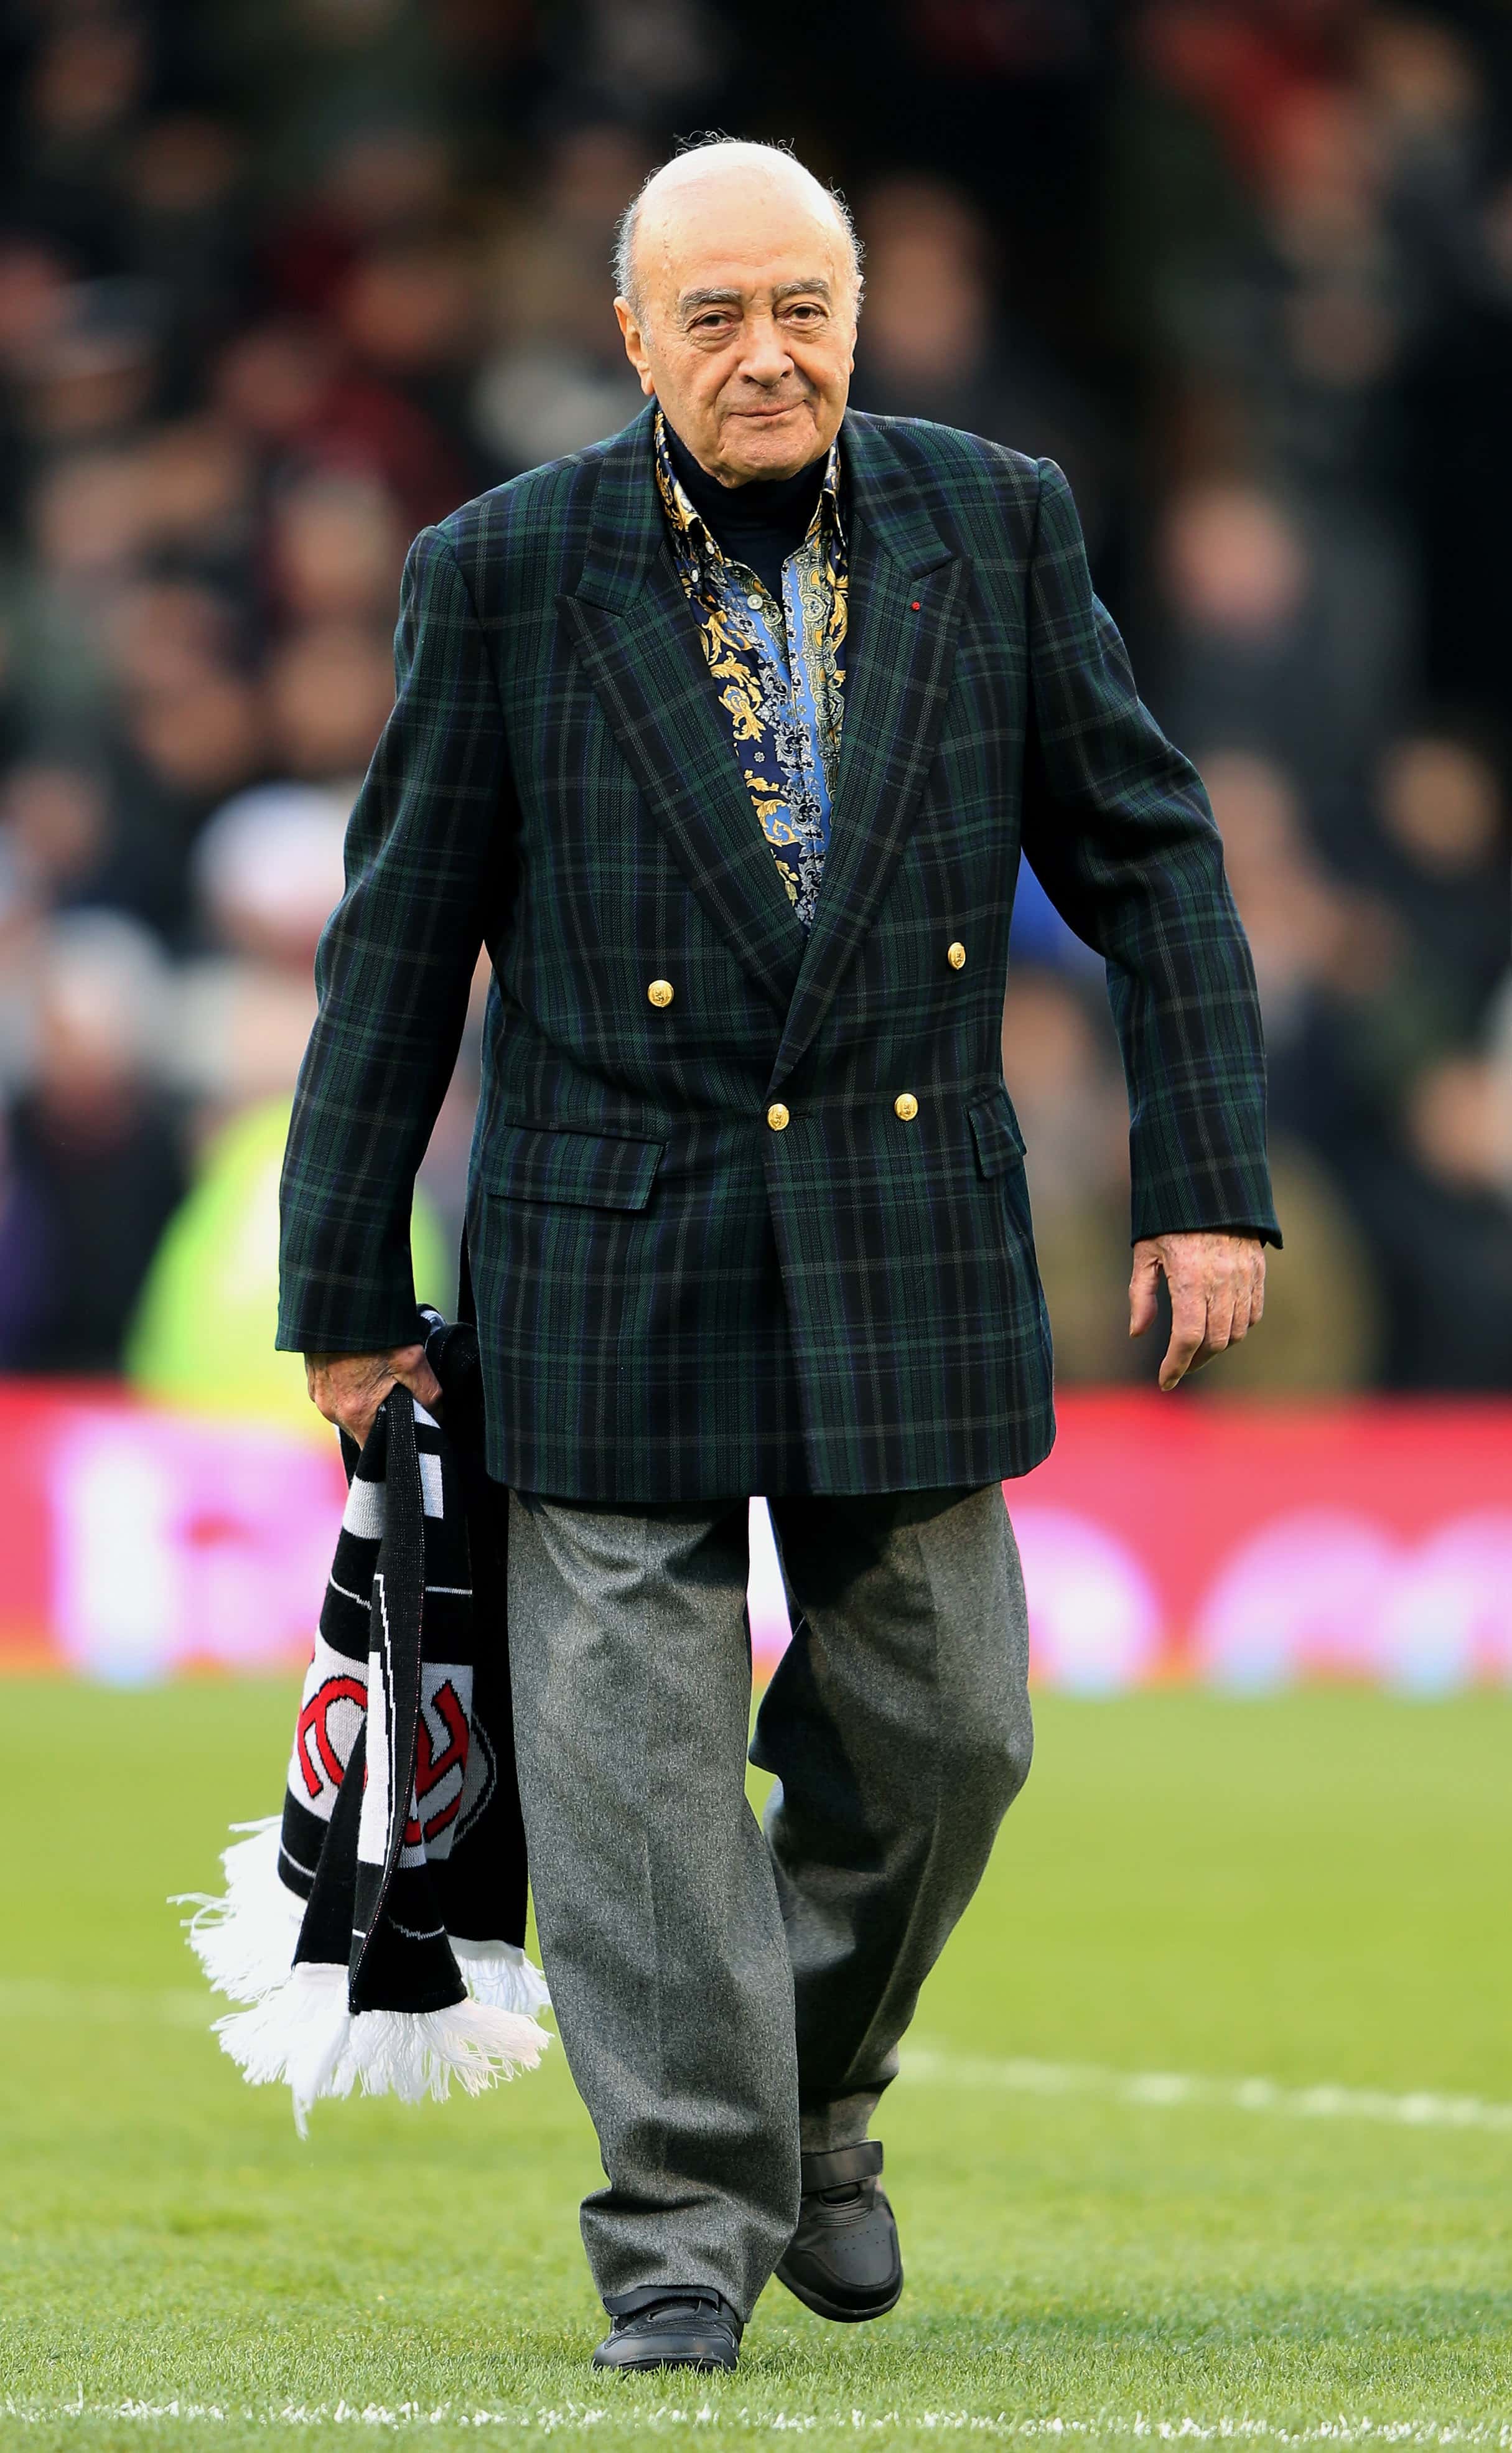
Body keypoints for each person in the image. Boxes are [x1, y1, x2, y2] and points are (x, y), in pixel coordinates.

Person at [278, 138, 1277, 2375]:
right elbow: (394, 948)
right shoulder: (502, 569)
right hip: (598, 1247)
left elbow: (1152, 854)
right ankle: (682, 2233)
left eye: (804, 307)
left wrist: (1206, 1172)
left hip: (903, 1229)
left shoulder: (994, 516)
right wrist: (345, 1289)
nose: (767, 353)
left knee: (954, 1737)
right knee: (630, 1786)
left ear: (859, 314)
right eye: (714, 315)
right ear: (630, 336)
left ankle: (816, 2098)